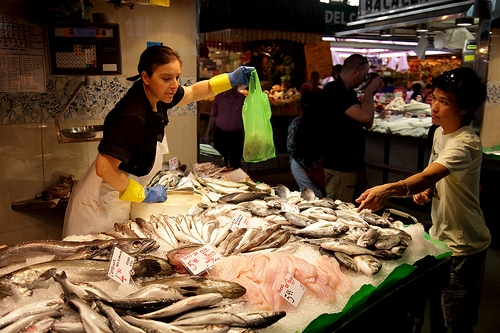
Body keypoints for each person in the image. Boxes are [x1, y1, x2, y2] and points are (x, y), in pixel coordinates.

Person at [63, 45, 254, 237]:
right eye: (166, 78)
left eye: (177, 77)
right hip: (98, 205)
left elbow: (193, 93)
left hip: (115, 196)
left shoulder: (157, 95)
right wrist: (142, 194)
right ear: (145, 77)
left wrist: (230, 79)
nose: (174, 85)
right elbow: (104, 168)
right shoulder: (132, 116)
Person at [356, 67, 490, 333]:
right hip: (441, 238)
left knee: (454, 321)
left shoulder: (466, 143)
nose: (435, 107)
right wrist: (426, 190)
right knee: (432, 311)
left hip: (465, 246)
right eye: (435, 98)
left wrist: (390, 189)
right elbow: (433, 176)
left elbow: (429, 174)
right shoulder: (440, 132)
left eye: (444, 102)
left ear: (463, 109)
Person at [319, 54, 383, 203]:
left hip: (353, 164)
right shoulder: (335, 90)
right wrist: (368, 92)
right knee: (340, 212)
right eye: (365, 75)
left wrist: (370, 94)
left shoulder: (349, 92)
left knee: (356, 210)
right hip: (340, 166)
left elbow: (368, 123)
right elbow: (365, 117)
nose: (365, 79)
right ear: (355, 72)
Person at [289, 71, 324, 198]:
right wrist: (309, 164)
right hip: (302, 164)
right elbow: (293, 147)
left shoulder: (318, 121)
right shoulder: (299, 123)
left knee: (309, 194)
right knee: (313, 195)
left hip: (310, 166)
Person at [204, 84, 246, 170]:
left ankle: (237, 181)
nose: (232, 87)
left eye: (234, 85)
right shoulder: (219, 98)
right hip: (221, 134)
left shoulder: (242, 99)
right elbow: (213, 117)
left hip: (236, 135)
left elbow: (247, 118)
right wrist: (207, 134)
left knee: (236, 162)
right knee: (220, 161)